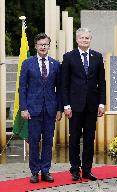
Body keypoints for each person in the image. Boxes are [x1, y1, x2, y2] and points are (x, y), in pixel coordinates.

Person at [61, 28, 106, 181]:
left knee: (89, 138)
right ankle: (74, 169)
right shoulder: (68, 57)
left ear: (90, 40)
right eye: (82, 38)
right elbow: (64, 84)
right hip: (74, 106)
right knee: (74, 139)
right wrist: (66, 105)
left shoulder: (97, 57)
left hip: (92, 106)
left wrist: (102, 103)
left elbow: (102, 83)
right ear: (77, 39)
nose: (84, 40)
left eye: (87, 38)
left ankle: (87, 170)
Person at [19, 33, 62, 183]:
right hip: (32, 110)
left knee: (48, 142)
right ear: (36, 46)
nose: (43, 47)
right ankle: (34, 172)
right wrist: (23, 108)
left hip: (50, 109)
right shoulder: (27, 63)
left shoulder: (56, 64)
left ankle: (45, 170)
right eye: (40, 44)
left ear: (49, 46)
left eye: (46, 44)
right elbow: (22, 88)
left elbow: (60, 88)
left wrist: (59, 109)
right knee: (34, 141)